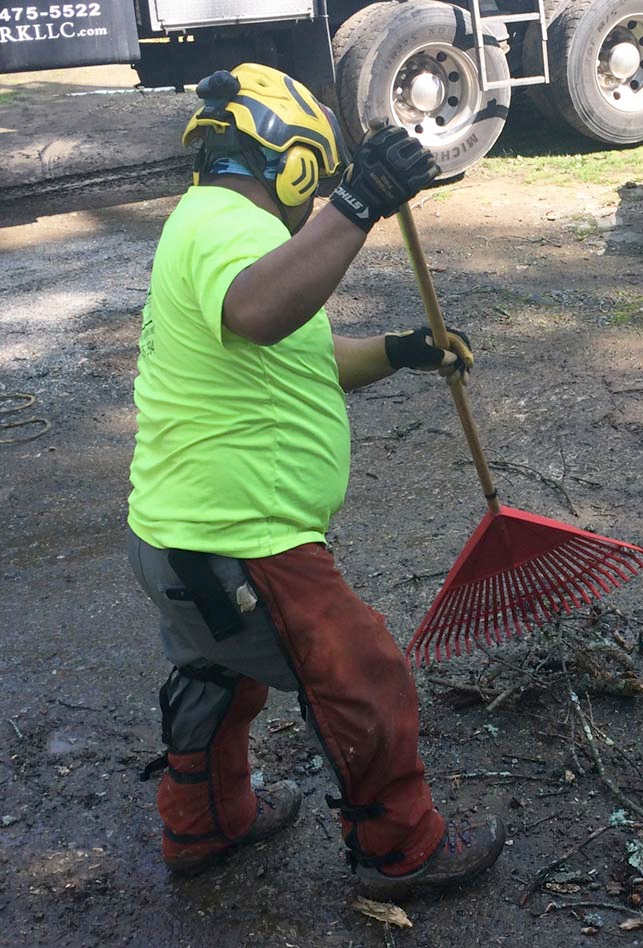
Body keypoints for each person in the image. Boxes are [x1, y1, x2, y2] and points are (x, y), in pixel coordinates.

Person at [127, 62, 505, 891]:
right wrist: (359, 203)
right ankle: (400, 850)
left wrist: (399, 352)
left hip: (179, 534)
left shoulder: (207, 225)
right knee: (363, 674)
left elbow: (297, 353)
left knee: (217, 675)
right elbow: (262, 310)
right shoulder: (230, 222)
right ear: (294, 158)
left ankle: (204, 825)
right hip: (239, 538)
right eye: (318, 178)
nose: (315, 195)